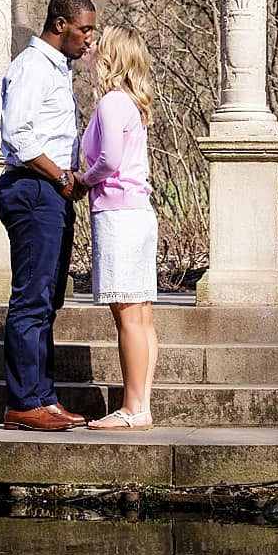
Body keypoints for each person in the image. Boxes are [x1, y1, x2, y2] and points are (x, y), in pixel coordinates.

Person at [0, 0, 97, 431]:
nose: (89, 38)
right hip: (34, 188)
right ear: (60, 24)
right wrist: (60, 177)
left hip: (51, 191)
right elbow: (18, 136)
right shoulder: (33, 67)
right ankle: (23, 403)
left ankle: (43, 398)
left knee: (48, 300)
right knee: (31, 298)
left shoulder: (57, 69)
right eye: (84, 29)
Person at [78, 25, 159, 430]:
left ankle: (132, 409)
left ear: (110, 56)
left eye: (97, 45)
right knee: (141, 314)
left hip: (119, 217)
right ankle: (141, 405)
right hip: (138, 213)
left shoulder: (112, 102)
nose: (90, 49)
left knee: (127, 314)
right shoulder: (131, 103)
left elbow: (108, 161)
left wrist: (82, 180)